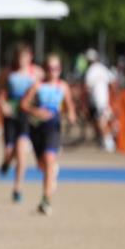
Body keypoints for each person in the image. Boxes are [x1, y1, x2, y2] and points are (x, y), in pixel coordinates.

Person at [21, 54, 77, 215]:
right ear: (45, 69)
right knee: (42, 165)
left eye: (57, 68)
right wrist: (35, 111)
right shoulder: (38, 86)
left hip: (53, 127)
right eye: (50, 68)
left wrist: (71, 115)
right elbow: (24, 104)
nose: (54, 72)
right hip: (37, 128)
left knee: (49, 159)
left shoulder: (63, 87)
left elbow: (70, 106)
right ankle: (51, 173)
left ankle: (46, 200)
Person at [0, 44, 42, 203]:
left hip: (26, 115)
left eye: (25, 57)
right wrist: (3, 105)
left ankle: (17, 188)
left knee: (22, 153)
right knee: (10, 152)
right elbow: (0, 92)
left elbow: (44, 90)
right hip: (11, 115)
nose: (22, 60)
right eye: (19, 57)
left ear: (30, 57)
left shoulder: (36, 73)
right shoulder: (8, 73)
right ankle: (6, 162)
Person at [84, 49, 117, 152]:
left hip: (98, 101)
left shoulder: (91, 71)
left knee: (101, 122)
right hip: (104, 100)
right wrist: (113, 95)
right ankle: (106, 140)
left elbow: (87, 87)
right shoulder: (103, 68)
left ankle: (109, 142)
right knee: (102, 121)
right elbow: (113, 81)